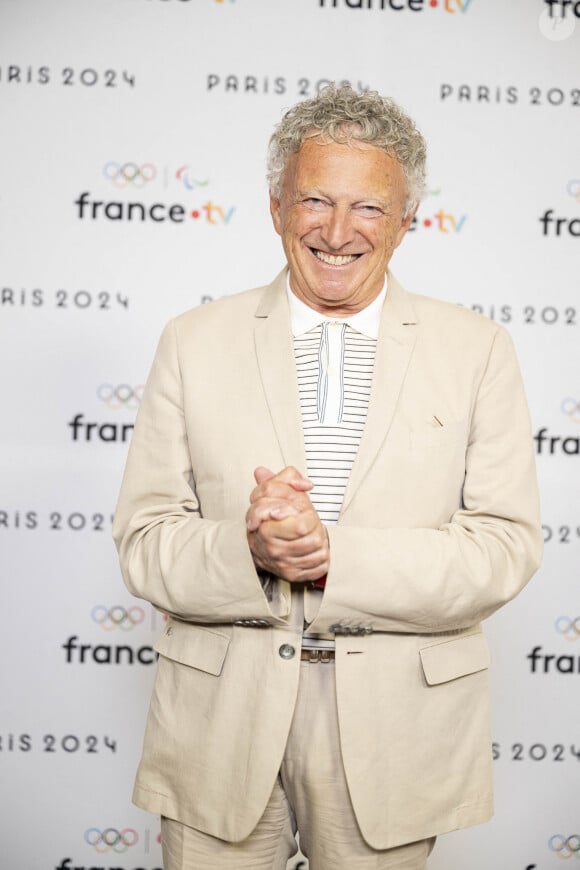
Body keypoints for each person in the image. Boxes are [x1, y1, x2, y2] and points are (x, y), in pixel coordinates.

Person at [113, 84, 542, 870]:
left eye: (370, 208)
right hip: (221, 725)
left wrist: (332, 556)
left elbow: (503, 548)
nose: (338, 232)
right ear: (277, 206)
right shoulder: (192, 340)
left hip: (393, 732)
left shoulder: (478, 350)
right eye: (314, 198)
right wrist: (248, 549)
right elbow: (144, 542)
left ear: (409, 221)